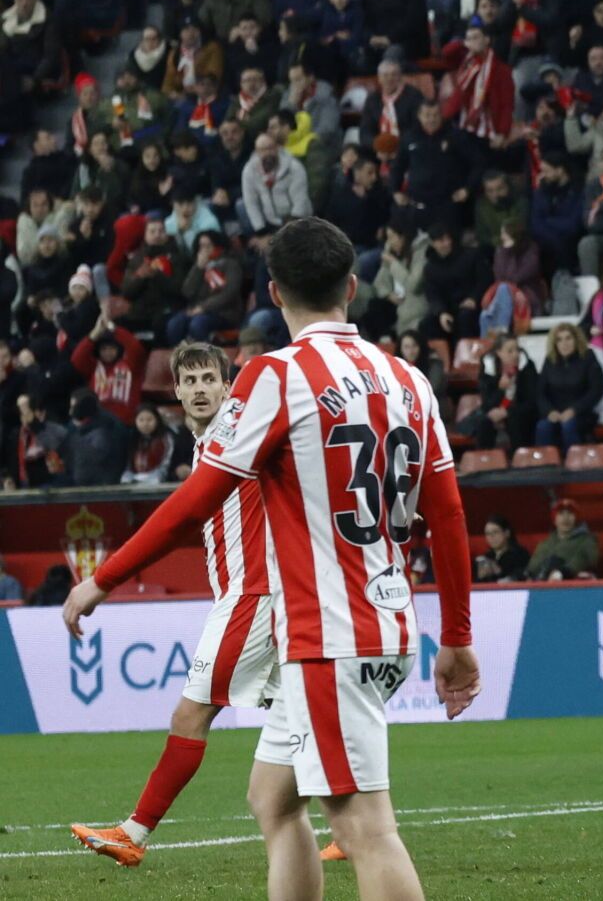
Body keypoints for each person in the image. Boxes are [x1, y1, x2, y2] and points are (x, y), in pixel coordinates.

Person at [62, 217, 479, 901]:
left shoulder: (275, 376)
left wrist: (101, 578)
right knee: (272, 798)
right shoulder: (409, 379)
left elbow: (194, 503)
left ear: (275, 293)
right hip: (386, 623)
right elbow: (451, 515)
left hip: (327, 635)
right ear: (352, 285)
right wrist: (458, 635)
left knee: (367, 829)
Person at [70, 343, 278, 868]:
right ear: (177, 392)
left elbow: (181, 518)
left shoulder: (234, 428)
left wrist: (103, 579)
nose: (202, 387)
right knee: (305, 715)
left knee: (190, 714)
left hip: (252, 595)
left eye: (211, 377)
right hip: (267, 595)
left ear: (228, 387)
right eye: (191, 381)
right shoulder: (203, 441)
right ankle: (359, 825)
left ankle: (134, 833)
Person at [525, 498, 598, 580]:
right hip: (542, 584)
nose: (565, 518)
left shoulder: (587, 540)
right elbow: (532, 568)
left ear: (576, 518)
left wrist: (563, 572)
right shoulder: (545, 544)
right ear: (554, 520)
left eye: (570, 513)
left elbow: (589, 559)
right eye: (561, 514)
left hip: (570, 583)